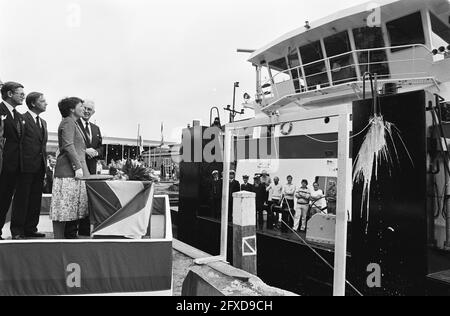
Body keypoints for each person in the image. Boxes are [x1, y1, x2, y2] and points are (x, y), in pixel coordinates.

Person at [49, 97, 90, 239]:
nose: (84, 109)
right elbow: (68, 145)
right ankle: (67, 237)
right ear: (72, 109)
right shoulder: (68, 122)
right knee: (68, 205)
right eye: (81, 106)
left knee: (74, 205)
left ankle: (70, 235)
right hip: (69, 171)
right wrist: (77, 166)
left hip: (75, 170)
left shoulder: (73, 123)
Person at [11, 92, 48, 239]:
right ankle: (17, 230)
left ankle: (30, 228)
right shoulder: (21, 119)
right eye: (42, 100)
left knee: (35, 199)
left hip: (39, 167)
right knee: (22, 199)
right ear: (33, 103)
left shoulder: (43, 122)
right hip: (25, 166)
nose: (46, 103)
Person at [0, 82, 26, 240]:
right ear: (9, 94)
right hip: (2, 164)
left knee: (4, 200)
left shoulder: (19, 116)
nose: (23, 95)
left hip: (14, 166)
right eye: (20, 93)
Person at [77, 100, 103, 236]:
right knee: (77, 197)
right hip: (77, 167)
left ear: (93, 112)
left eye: (90, 110)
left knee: (88, 198)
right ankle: (72, 228)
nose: (87, 111)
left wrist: (96, 152)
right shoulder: (74, 124)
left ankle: (85, 229)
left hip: (91, 168)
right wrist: (85, 150)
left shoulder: (95, 128)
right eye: (85, 108)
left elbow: (101, 147)